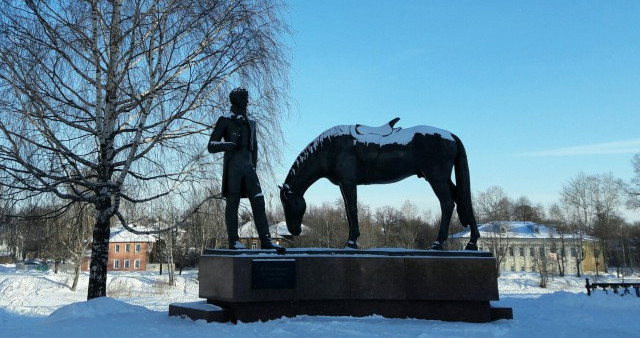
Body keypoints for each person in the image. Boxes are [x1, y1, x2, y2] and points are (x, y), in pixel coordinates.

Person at [208, 87, 285, 252]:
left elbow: (254, 148)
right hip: (233, 167)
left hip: (249, 168)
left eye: (247, 98)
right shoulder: (225, 120)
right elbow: (211, 145)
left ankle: (266, 241)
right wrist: (227, 145)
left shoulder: (251, 123)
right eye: (244, 98)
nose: (247, 101)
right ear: (235, 100)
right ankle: (233, 241)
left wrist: (254, 167)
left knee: (259, 200)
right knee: (233, 203)